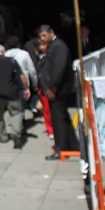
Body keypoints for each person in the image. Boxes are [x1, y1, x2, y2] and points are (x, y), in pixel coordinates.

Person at [38, 25, 79, 160]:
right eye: (40, 37)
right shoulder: (53, 47)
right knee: (62, 118)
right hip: (55, 90)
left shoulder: (59, 46)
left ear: (51, 33)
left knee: (58, 121)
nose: (42, 39)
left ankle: (61, 148)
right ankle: (71, 144)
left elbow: (59, 69)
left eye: (44, 35)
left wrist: (53, 88)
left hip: (58, 90)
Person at [0, 45, 30, 149]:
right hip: (12, 92)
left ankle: (3, 137)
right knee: (17, 113)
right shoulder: (12, 61)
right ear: (4, 52)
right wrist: (26, 88)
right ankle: (16, 134)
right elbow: (21, 76)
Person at [4, 36, 38, 112]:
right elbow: (32, 70)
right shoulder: (24, 54)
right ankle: (28, 110)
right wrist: (35, 84)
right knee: (23, 101)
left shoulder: (5, 55)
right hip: (23, 82)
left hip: (9, 83)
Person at [36, 39, 54, 140]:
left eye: (43, 45)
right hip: (43, 87)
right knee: (46, 110)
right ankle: (50, 130)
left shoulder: (52, 56)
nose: (41, 48)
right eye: (40, 46)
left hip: (51, 86)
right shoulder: (40, 58)